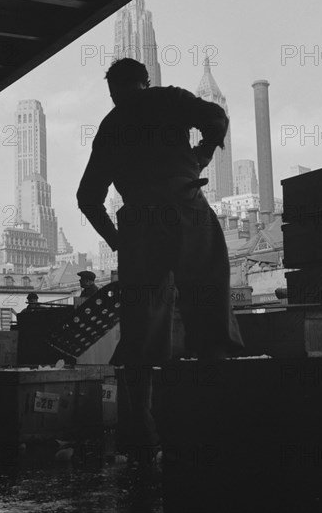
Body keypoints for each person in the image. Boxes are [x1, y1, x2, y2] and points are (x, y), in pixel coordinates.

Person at [76, 58, 244, 462]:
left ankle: (141, 439)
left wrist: (118, 241)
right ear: (145, 82)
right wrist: (200, 157)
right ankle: (217, 429)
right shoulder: (167, 99)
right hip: (185, 206)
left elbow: (88, 198)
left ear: (113, 90)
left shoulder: (110, 126)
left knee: (141, 333)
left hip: (139, 224)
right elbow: (217, 119)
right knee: (209, 312)